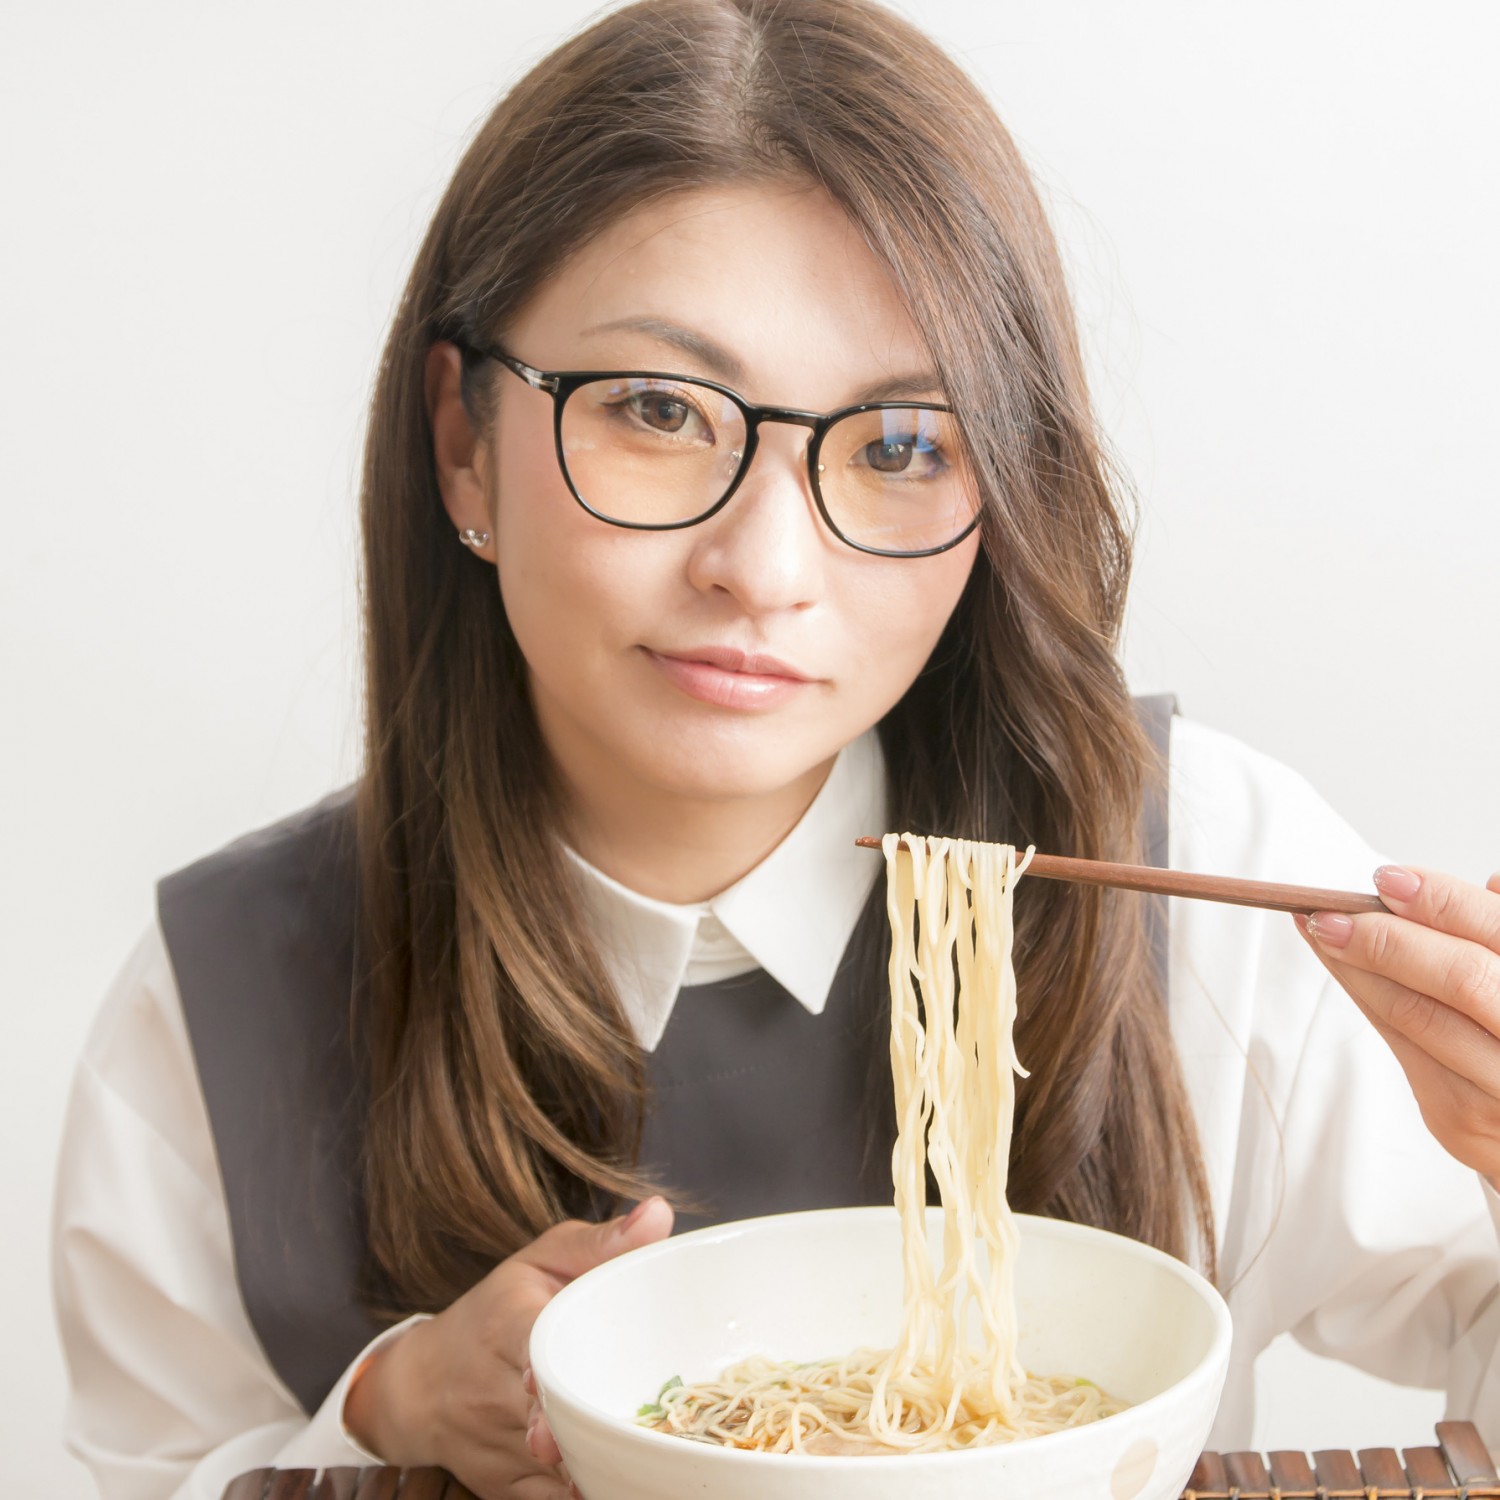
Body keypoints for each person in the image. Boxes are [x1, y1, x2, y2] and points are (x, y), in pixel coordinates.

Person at [50, 1, 1500, 1497]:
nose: (766, 564)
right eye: (661, 411)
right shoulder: (225, 996)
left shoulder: (1204, 879)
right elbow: (158, 1464)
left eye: (900, 446)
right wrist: (380, 1412)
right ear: (463, 438)